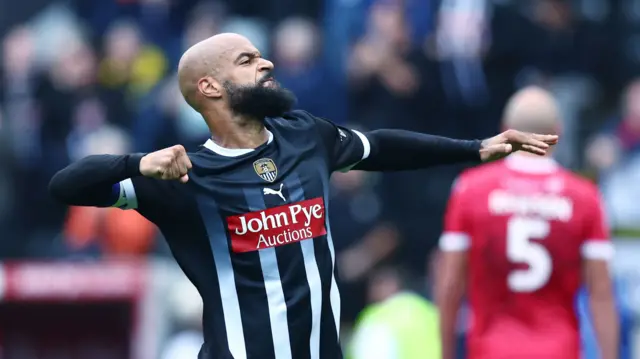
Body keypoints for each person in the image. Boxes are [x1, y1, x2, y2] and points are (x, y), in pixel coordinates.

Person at [48, 33, 557, 359]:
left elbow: (380, 147)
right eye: (247, 60)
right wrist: (135, 163)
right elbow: (66, 186)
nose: (266, 63)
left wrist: (475, 148)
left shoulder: (304, 135)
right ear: (210, 87)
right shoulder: (183, 177)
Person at [436, 86, 618, 359]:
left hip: (491, 350)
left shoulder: (469, 190)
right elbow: (601, 294)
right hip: (559, 351)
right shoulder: (585, 197)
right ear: (558, 133)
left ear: (505, 130)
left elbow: (450, 284)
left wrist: (446, 352)